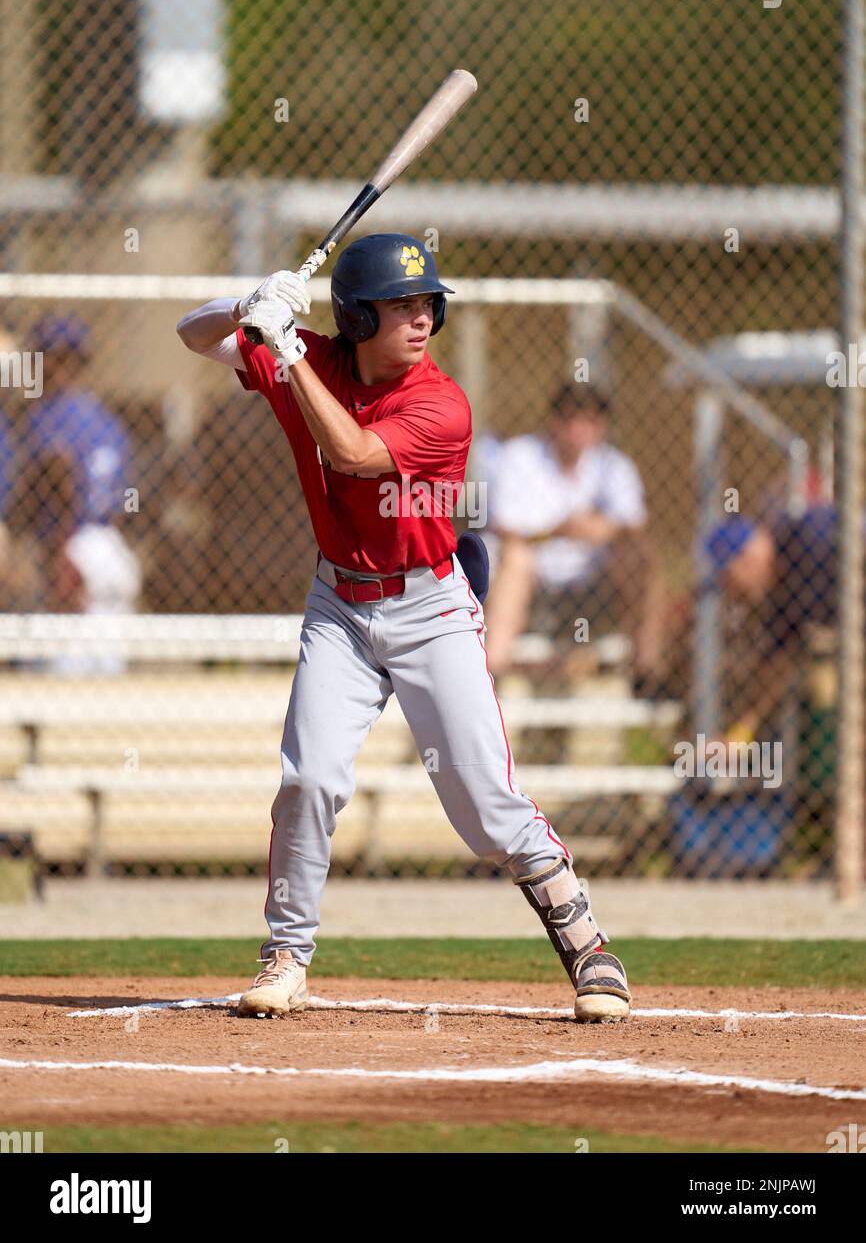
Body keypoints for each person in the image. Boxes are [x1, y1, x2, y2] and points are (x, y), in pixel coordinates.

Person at [177, 233, 631, 1022]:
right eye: (399, 307)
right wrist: (248, 306)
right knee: (308, 778)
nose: (420, 320)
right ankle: (286, 954)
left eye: (426, 305)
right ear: (355, 319)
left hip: (430, 608)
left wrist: (283, 348)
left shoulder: (439, 402)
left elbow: (350, 452)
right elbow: (194, 333)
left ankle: (588, 945)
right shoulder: (306, 359)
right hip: (339, 607)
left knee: (485, 807)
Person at [483, 383, 662, 687]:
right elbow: (505, 528)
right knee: (516, 558)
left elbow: (633, 527)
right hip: (534, 575)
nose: (578, 430)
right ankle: (491, 671)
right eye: (570, 419)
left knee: (642, 558)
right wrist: (558, 531)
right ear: (553, 421)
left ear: (602, 427)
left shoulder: (613, 466)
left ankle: (647, 672)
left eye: (590, 421)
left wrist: (603, 529)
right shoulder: (519, 456)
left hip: (596, 579)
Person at [19, 315, 141, 626]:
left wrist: (62, 551)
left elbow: (59, 472)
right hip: (113, 548)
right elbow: (130, 497)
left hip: (70, 548)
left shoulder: (45, 416)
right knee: (106, 662)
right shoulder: (108, 422)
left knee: (64, 665)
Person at [704, 507, 837, 741]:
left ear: (746, 560)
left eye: (730, 580)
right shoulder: (782, 592)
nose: (735, 593)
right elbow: (776, 662)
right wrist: (740, 734)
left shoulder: (810, 537)